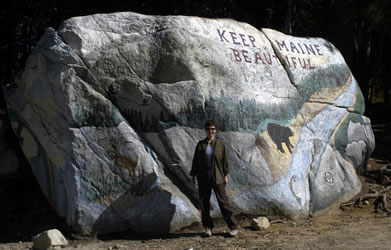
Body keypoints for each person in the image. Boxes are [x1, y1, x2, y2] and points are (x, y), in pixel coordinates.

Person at [190, 119, 239, 237]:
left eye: (213, 129)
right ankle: (208, 228)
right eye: (208, 129)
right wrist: (193, 175)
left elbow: (224, 161)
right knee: (204, 204)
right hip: (203, 178)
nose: (211, 131)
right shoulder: (200, 145)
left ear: (215, 130)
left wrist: (225, 174)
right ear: (205, 130)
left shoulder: (220, 144)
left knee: (223, 203)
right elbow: (195, 161)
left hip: (217, 177)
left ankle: (233, 227)